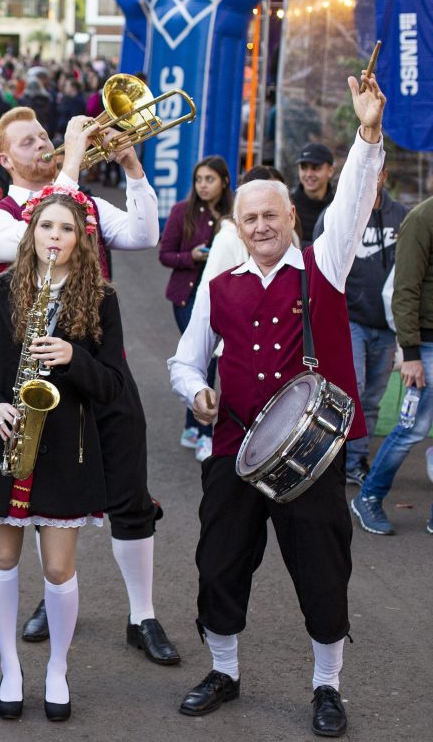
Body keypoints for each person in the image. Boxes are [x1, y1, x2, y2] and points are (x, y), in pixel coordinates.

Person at [167, 70, 385, 738]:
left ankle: (327, 685)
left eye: (272, 214)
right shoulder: (221, 281)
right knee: (220, 565)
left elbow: (352, 196)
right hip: (233, 448)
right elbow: (184, 359)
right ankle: (225, 671)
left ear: (293, 217)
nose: (261, 225)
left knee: (322, 571)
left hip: (312, 458)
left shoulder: (325, 266)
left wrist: (367, 133)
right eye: (250, 217)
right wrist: (196, 391)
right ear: (238, 225)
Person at [0, 108, 176, 663]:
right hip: (37, 383)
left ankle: (143, 614)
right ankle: (52, 595)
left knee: (130, 495)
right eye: (30, 141)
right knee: (47, 497)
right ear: (4, 158)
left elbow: (142, 233)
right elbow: (46, 231)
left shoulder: (82, 201)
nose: (45, 145)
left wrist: (132, 164)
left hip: (103, 372)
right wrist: (76, 160)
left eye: (47, 136)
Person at [0, 187, 127, 722]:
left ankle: (57, 668)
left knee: (57, 569)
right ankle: (10, 667)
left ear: (82, 239)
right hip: (4, 440)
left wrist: (74, 356)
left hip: (67, 450)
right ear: (32, 233)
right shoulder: (1, 292)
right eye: (48, 227)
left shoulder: (100, 297)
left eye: (68, 230)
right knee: (3, 559)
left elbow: (113, 385)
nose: (56, 237)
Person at [318, 167, 408, 488]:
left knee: (372, 398)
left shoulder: (402, 216)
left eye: (376, 173)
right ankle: (338, 459)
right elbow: (318, 261)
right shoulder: (338, 214)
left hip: (386, 326)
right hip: (350, 320)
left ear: (384, 174)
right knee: (349, 392)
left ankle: (356, 461)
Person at [350, 187, 429, 535]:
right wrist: (410, 354)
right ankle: (369, 496)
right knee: (412, 430)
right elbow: (405, 288)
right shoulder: (422, 219)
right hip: (425, 345)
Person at [158, 156, 233, 462]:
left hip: (223, 298)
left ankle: (192, 426)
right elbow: (165, 254)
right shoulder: (181, 211)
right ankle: (205, 433)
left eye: (210, 179)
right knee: (205, 361)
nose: (203, 185)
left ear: (224, 182)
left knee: (209, 361)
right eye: (199, 179)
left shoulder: (232, 215)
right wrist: (192, 257)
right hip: (187, 299)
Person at [292, 142, 336, 245]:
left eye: (316, 168)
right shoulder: (287, 206)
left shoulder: (338, 207)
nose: (309, 174)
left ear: (330, 171)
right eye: (303, 167)